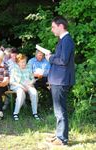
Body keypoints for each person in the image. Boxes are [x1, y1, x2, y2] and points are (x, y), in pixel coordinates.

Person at [45, 16, 75, 146]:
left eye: (53, 27)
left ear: (61, 26)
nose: (52, 30)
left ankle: (62, 138)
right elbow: (61, 58)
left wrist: (50, 58)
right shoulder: (63, 40)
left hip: (61, 80)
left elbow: (63, 61)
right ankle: (59, 135)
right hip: (58, 79)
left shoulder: (67, 40)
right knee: (58, 109)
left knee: (60, 110)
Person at [10, 54, 40, 121]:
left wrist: (31, 83)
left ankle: (35, 113)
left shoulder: (28, 68)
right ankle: (15, 113)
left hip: (28, 85)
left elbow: (32, 78)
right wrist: (21, 86)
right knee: (21, 93)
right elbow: (11, 81)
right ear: (18, 62)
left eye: (25, 62)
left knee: (34, 92)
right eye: (22, 62)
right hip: (17, 85)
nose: (24, 63)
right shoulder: (14, 68)